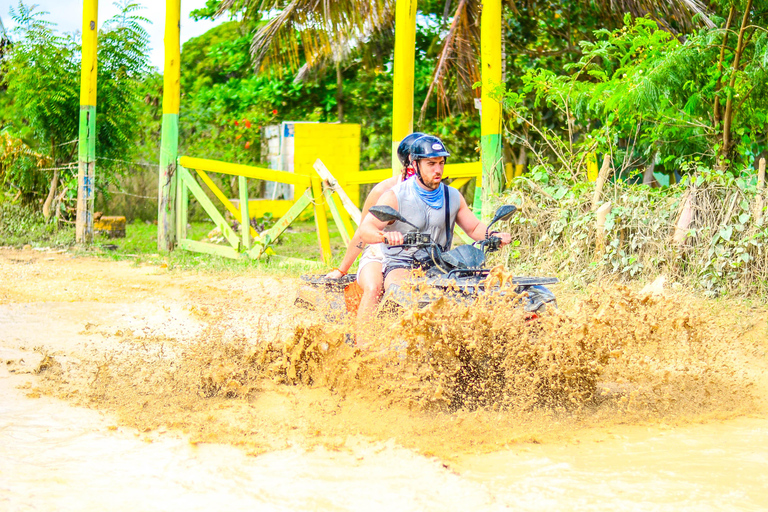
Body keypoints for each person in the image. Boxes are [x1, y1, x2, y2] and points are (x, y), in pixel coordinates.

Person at [358, 134, 512, 292]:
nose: (437, 170)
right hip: (401, 264)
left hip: (441, 263)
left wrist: (494, 235)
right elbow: (365, 229)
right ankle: (365, 318)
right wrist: (384, 236)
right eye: (431, 164)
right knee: (403, 291)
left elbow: (473, 228)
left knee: (482, 289)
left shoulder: (452, 196)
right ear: (415, 164)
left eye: (441, 163)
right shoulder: (395, 196)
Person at [325, 132, 425, 320]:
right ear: (409, 163)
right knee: (374, 288)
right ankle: (364, 346)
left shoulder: (438, 192)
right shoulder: (382, 191)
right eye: (420, 161)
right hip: (379, 252)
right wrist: (341, 270)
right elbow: (363, 233)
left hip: (415, 254)